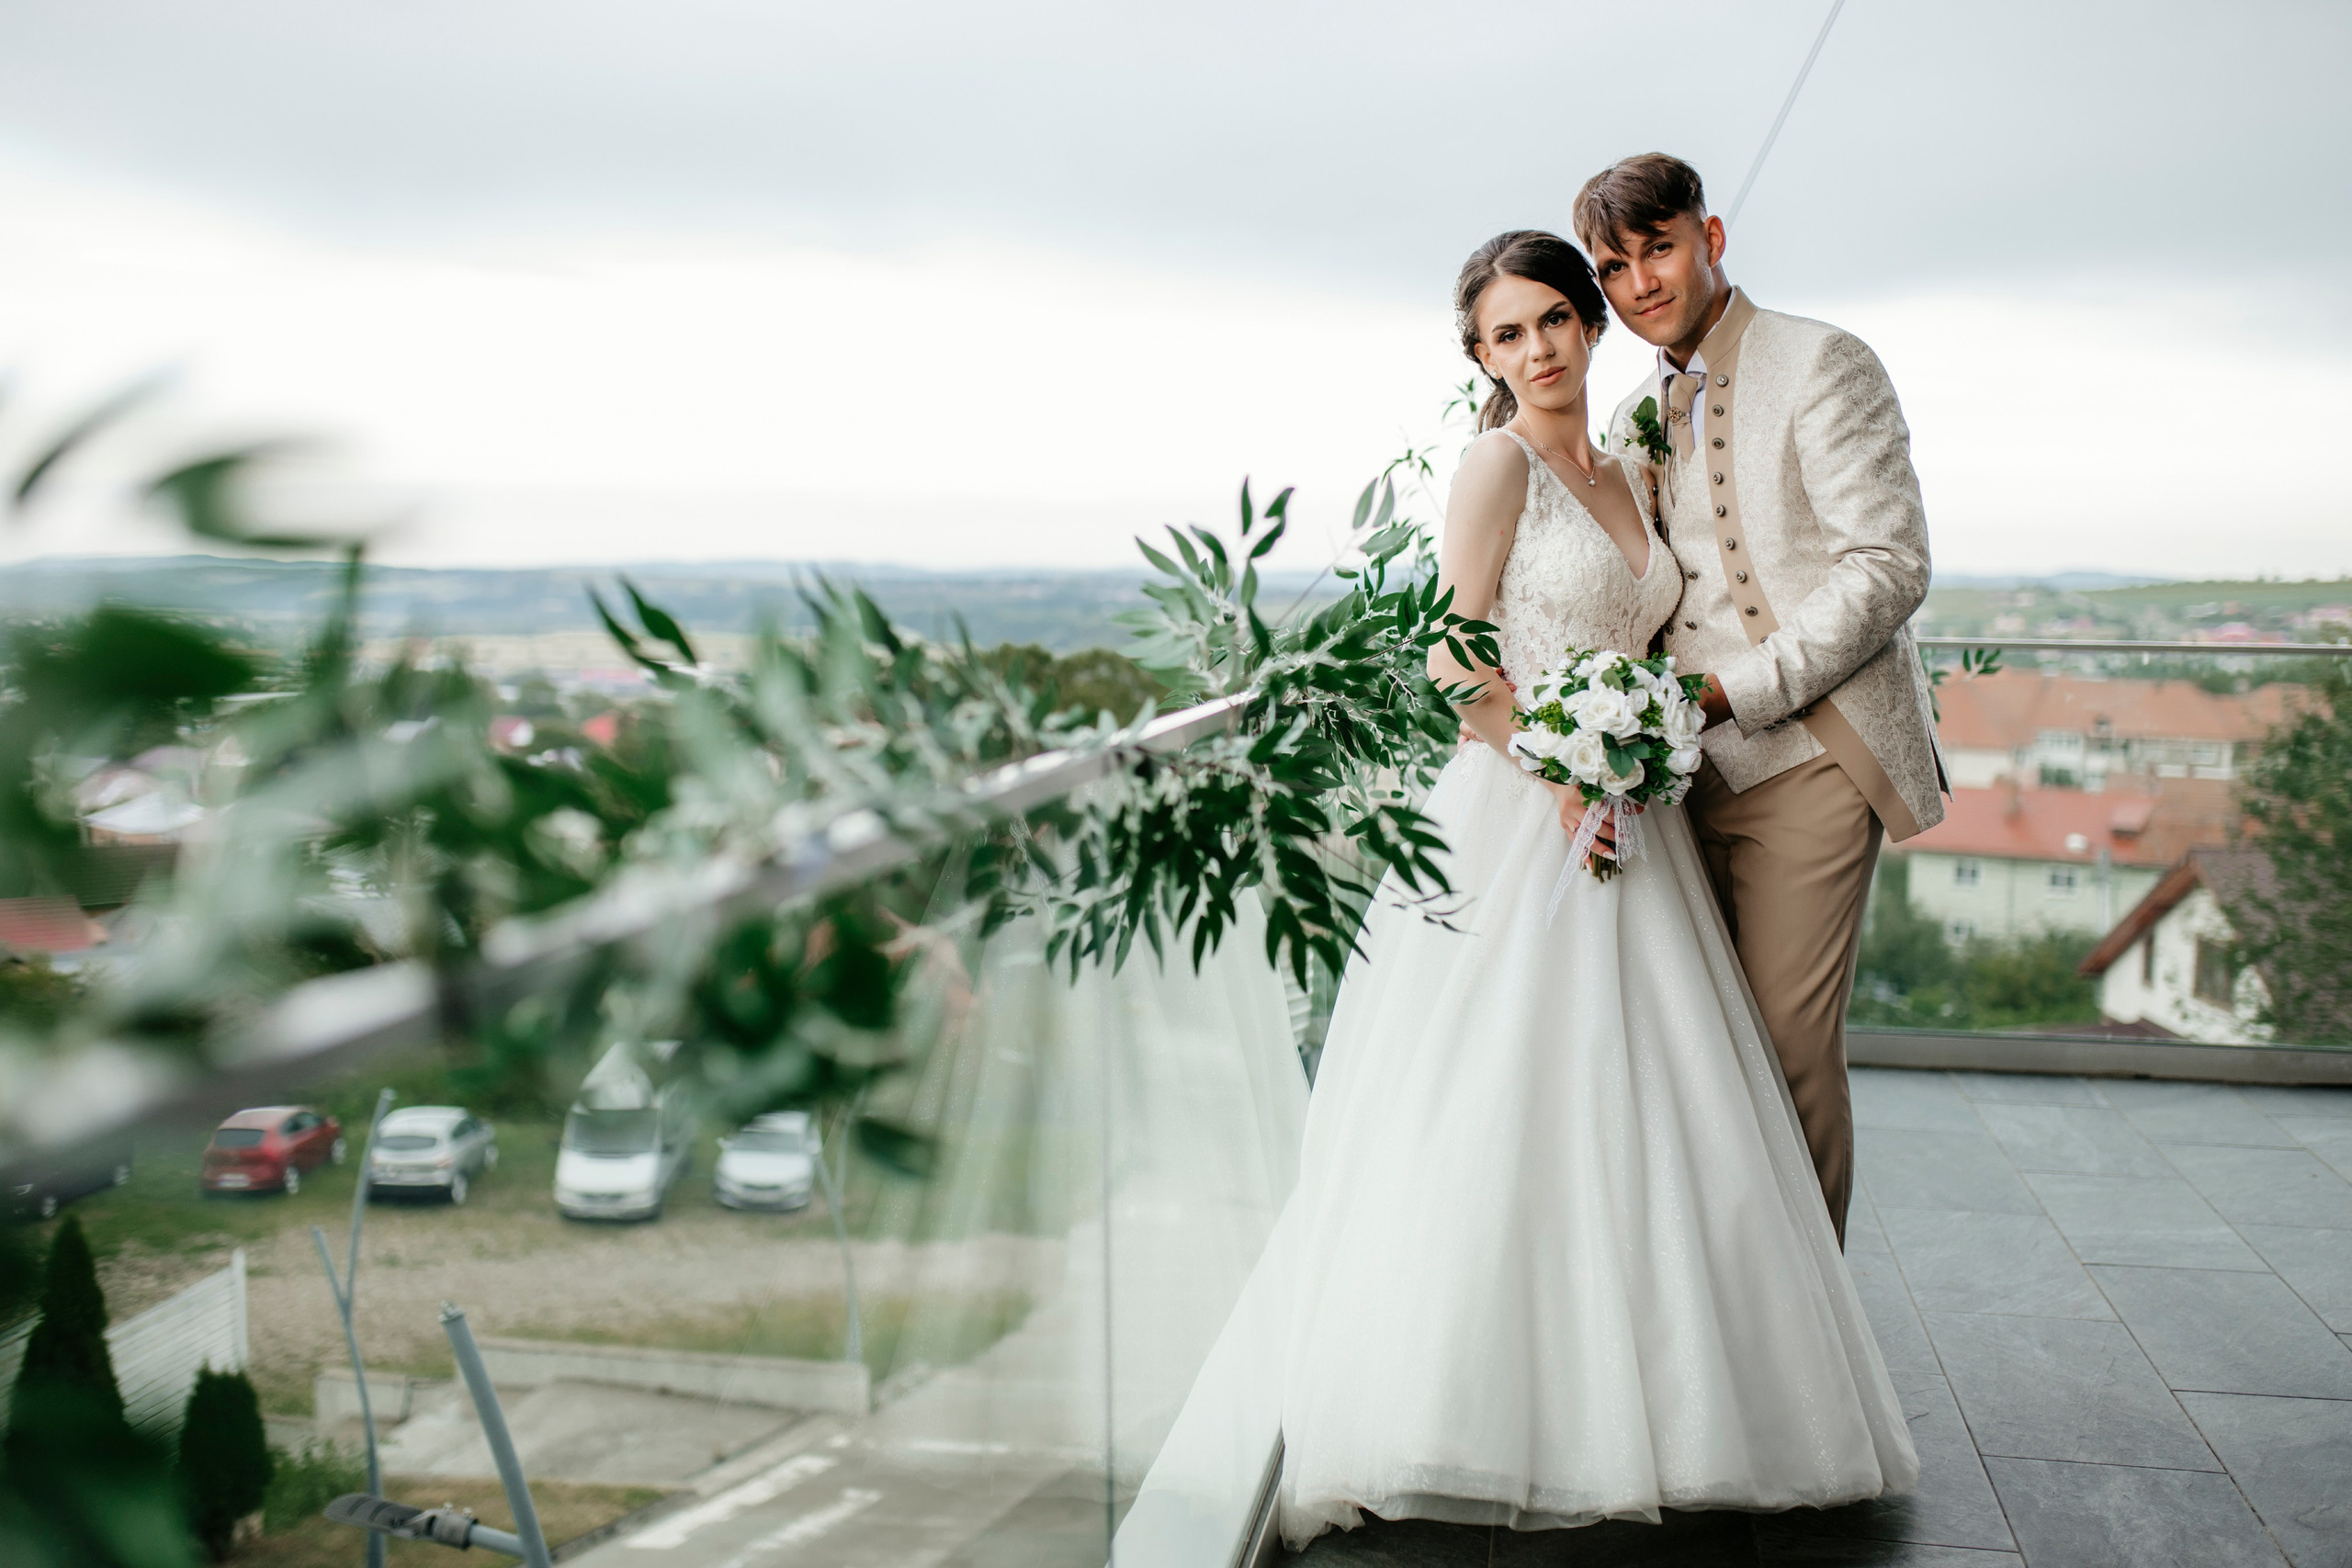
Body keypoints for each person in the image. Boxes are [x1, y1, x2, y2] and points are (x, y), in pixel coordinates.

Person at [1274, 229, 1916, 1547]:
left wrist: (1625, 757)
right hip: (1528, 811)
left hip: (1640, 813)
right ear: (1480, 357)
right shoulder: (1495, 465)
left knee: (1653, 1105)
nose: (1538, 349)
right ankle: (1479, 1407)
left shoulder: (1631, 463)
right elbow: (1454, 657)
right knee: (1510, 1096)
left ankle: (1680, 1399)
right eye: (1506, 334)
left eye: (1556, 319)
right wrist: (1561, 769)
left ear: (1591, 323)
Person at [1577, 153, 1947, 1243]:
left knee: (1785, 1049)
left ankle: (1812, 1325)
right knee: (1700, 1052)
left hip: (1815, 755)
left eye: (1658, 249)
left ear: (1710, 237)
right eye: (1615, 267)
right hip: (1679, 773)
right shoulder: (1630, 417)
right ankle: (1732, 1311)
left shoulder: (1823, 361)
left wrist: (1732, 692)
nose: (1641, 283)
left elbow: (1887, 565)